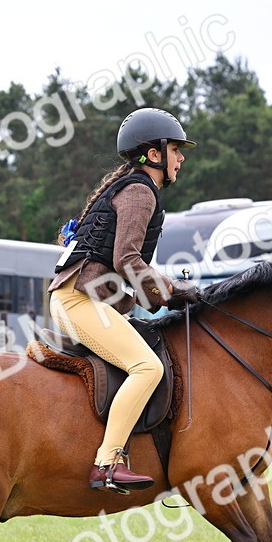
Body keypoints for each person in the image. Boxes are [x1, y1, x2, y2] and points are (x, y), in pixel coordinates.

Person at [48, 107, 200, 494]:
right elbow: (126, 260)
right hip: (79, 302)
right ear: (154, 154)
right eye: (176, 150)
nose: (181, 158)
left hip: (80, 298)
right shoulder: (139, 191)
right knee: (147, 368)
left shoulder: (129, 186)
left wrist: (161, 296)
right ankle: (108, 463)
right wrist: (172, 291)